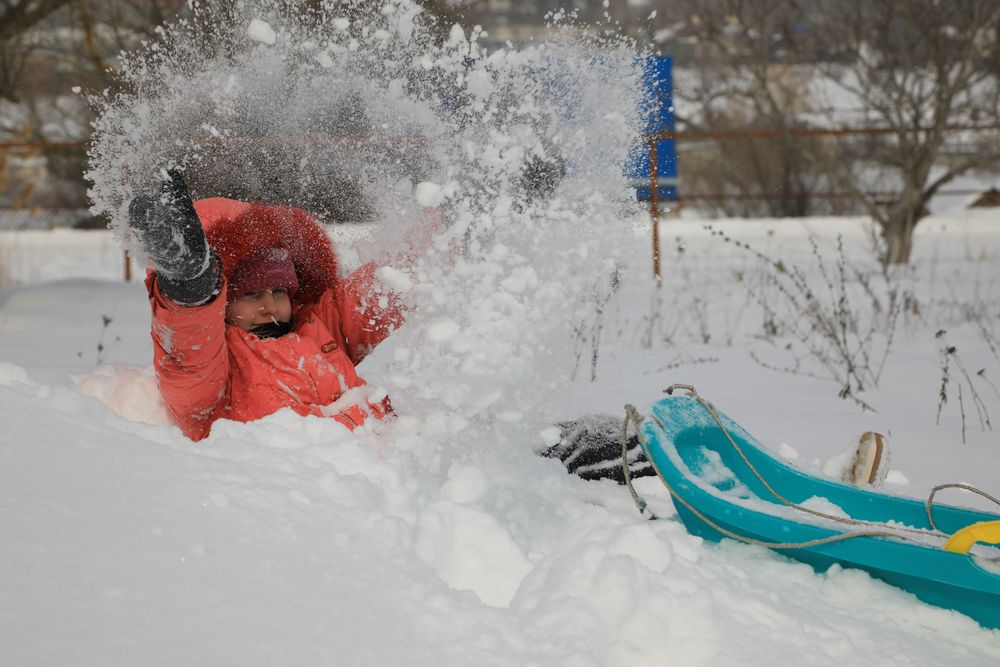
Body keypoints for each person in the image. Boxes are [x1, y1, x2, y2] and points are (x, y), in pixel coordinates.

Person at [129, 170, 401, 441]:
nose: (269, 305)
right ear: (220, 303)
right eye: (250, 295)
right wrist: (192, 295)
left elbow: (380, 290)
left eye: (278, 291)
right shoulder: (216, 372)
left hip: (376, 468)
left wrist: (436, 236)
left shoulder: (317, 327)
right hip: (286, 477)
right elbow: (188, 355)